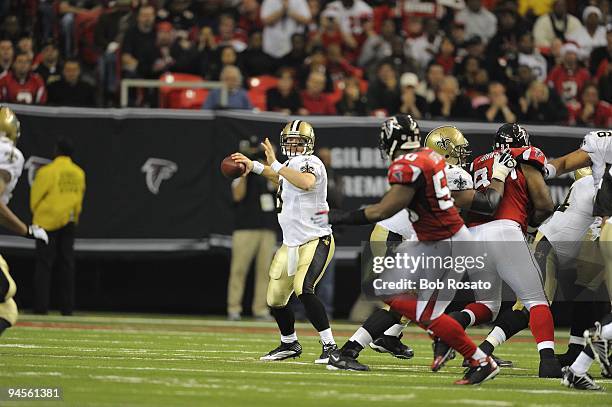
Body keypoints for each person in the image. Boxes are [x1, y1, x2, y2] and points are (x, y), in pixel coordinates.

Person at [315, 116, 508, 385]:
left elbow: (385, 209)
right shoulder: (432, 160)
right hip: (431, 240)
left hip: (441, 243)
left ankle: (478, 358)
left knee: (422, 310)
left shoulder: (412, 163)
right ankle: (353, 349)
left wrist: (341, 217)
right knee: (401, 301)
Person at [437, 123, 559, 378]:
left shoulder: (477, 163)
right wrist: (531, 226)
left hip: (472, 235)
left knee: (487, 305)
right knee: (536, 300)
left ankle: (451, 324)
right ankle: (548, 362)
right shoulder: (526, 155)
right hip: (504, 230)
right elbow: (545, 204)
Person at [231, 120, 338, 364]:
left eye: (297, 141)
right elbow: (280, 179)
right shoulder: (289, 165)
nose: (292, 145)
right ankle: (289, 343)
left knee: (303, 289)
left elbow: (306, 182)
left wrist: (276, 165)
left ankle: (330, 346)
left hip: (315, 239)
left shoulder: (312, 163)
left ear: (308, 143)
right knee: (275, 298)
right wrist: (254, 165)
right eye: (289, 141)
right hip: (291, 243)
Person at [543, 129, 612, 390]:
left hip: (604, 228)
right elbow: (562, 164)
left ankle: (577, 367)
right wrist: (541, 172)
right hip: (605, 228)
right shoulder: (604, 142)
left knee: (597, 298)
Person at [0, 106, 48, 336]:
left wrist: (25, 231)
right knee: (5, 288)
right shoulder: (8, 153)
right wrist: (26, 230)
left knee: (6, 310)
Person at [31, 138, 85, 316]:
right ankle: (67, 308)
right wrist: (74, 217)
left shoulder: (47, 171)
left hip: (46, 222)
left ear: (57, 151)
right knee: (67, 265)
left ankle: (40, 308)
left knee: (44, 265)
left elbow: (35, 197)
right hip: (69, 221)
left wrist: (37, 214)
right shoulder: (78, 173)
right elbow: (79, 198)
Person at [227, 139, 277, 321]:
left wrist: (268, 168)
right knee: (239, 269)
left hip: (267, 228)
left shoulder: (270, 174)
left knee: (265, 271)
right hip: (246, 228)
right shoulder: (242, 171)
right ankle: (234, 308)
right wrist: (244, 172)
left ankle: (261, 309)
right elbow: (238, 195)